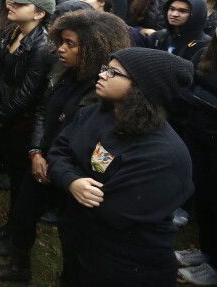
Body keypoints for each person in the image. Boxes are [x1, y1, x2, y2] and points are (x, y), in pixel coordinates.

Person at [0, 9, 130, 282]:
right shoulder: (62, 70)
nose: (61, 49)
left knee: (72, 238)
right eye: (61, 41)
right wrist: (36, 151)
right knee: (23, 212)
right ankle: (19, 266)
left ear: (94, 48)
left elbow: (93, 142)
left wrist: (64, 170)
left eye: (70, 44)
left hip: (74, 175)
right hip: (43, 161)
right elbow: (44, 110)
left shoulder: (107, 90)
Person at [48, 48, 195, 286]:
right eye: (106, 68)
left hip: (125, 265)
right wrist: (71, 180)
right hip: (80, 241)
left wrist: (70, 175)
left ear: (142, 87)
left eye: (114, 72)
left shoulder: (164, 156)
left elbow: (110, 210)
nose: (103, 74)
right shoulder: (97, 113)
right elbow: (59, 149)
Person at [0, 0, 55, 252]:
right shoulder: (14, 32)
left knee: (23, 182)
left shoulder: (42, 46)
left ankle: (17, 237)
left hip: (23, 122)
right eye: (12, 1)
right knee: (14, 174)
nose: (11, 4)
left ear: (39, 13)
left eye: (20, 3)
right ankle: (11, 226)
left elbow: (28, 94)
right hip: (9, 117)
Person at [176, 33, 217, 285]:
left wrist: (199, 100)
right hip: (199, 135)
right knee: (204, 197)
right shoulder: (205, 51)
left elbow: (195, 95)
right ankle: (206, 250)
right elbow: (186, 87)